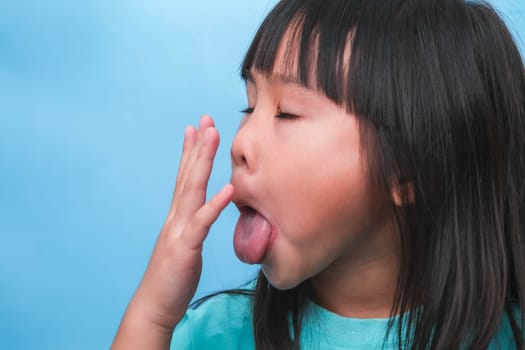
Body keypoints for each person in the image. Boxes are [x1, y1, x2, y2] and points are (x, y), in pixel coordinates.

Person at [111, 0, 525, 349]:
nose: (241, 143)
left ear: (409, 167)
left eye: (287, 113)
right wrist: (154, 317)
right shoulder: (220, 335)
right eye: (250, 108)